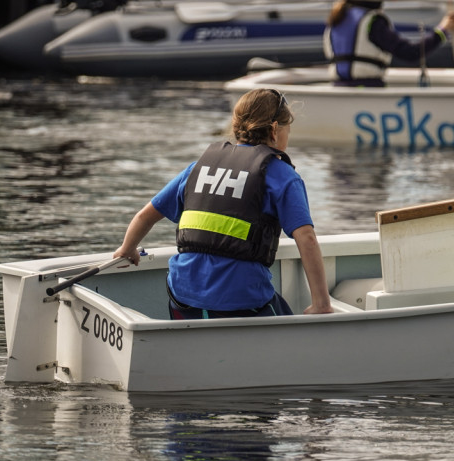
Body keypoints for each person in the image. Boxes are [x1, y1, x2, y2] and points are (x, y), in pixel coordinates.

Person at [113, 88, 334, 319]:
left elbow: (145, 216)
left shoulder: (198, 168)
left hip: (183, 298)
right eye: (288, 129)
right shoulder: (282, 176)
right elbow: (307, 239)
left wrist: (127, 248)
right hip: (241, 301)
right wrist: (321, 303)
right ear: (274, 130)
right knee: (291, 333)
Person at [324, 0, 454, 86]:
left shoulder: (335, 20)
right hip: (367, 91)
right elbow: (411, 53)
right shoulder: (372, 22)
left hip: (339, 88)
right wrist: (442, 31)